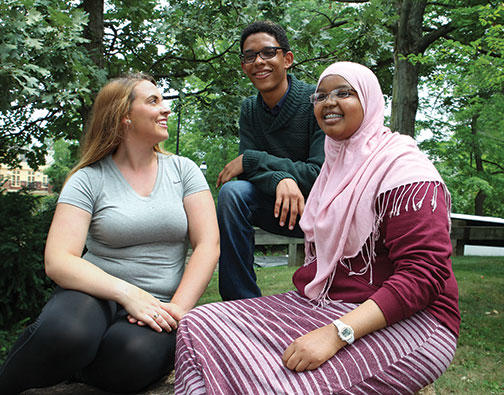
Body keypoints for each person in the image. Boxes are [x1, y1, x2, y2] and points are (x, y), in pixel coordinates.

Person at [174, 62, 460, 394]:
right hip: (326, 306)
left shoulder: (405, 170)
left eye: (344, 92)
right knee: (198, 324)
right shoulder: (331, 173)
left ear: (370, 102)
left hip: (414, 320)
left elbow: (424, 275)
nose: (329, 102)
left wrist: (337, 333)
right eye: (320, 96)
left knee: (284, 387)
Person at [0, 73, 219, 394]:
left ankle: (79, 370)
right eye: (153, 101)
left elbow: (207, 245)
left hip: (160, 304)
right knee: (66, 334)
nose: (166, 109)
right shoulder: (88, 178)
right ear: (124, 117)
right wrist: (128, 294)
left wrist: (179, 309)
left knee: (130, 356)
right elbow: (59, 260)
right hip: (92, 294)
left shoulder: (184, 171)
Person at [216, 21, 325, 300]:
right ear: (243, 66)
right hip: (277, 208)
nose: (258, 62)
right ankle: (240, 302)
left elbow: (318, 173)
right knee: (232, 193)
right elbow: (247, 176)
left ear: (287, 59)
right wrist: (281, 179)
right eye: (249, 56)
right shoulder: (250, 109)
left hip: (323, 211)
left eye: (268, 53)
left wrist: (253, 159)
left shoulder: (317, 101)